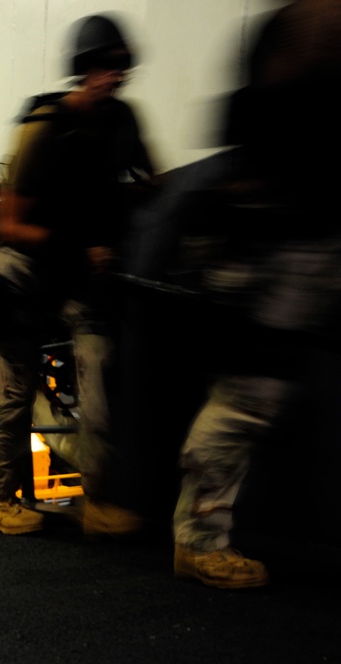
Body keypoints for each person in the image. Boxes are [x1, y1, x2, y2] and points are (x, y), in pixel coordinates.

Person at [166, 0, 341, 589]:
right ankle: (198, 540)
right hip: (267, 240)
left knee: (264, 388)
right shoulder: (287, 44)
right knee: (248, 394)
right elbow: (242, 158)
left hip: (306, 240)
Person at [0, 13, 155, 535]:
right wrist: (79, 246)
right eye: (102, 66)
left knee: (99, 369)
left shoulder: (124, 122)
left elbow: (152, 182)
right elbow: (9, 224)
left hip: (78, 274)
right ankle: (1, 499)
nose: (114, 75)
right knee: (15, 388)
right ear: (82, 70)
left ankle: (98, 499)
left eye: (120, 66)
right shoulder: (45, 129)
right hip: (29, 270)